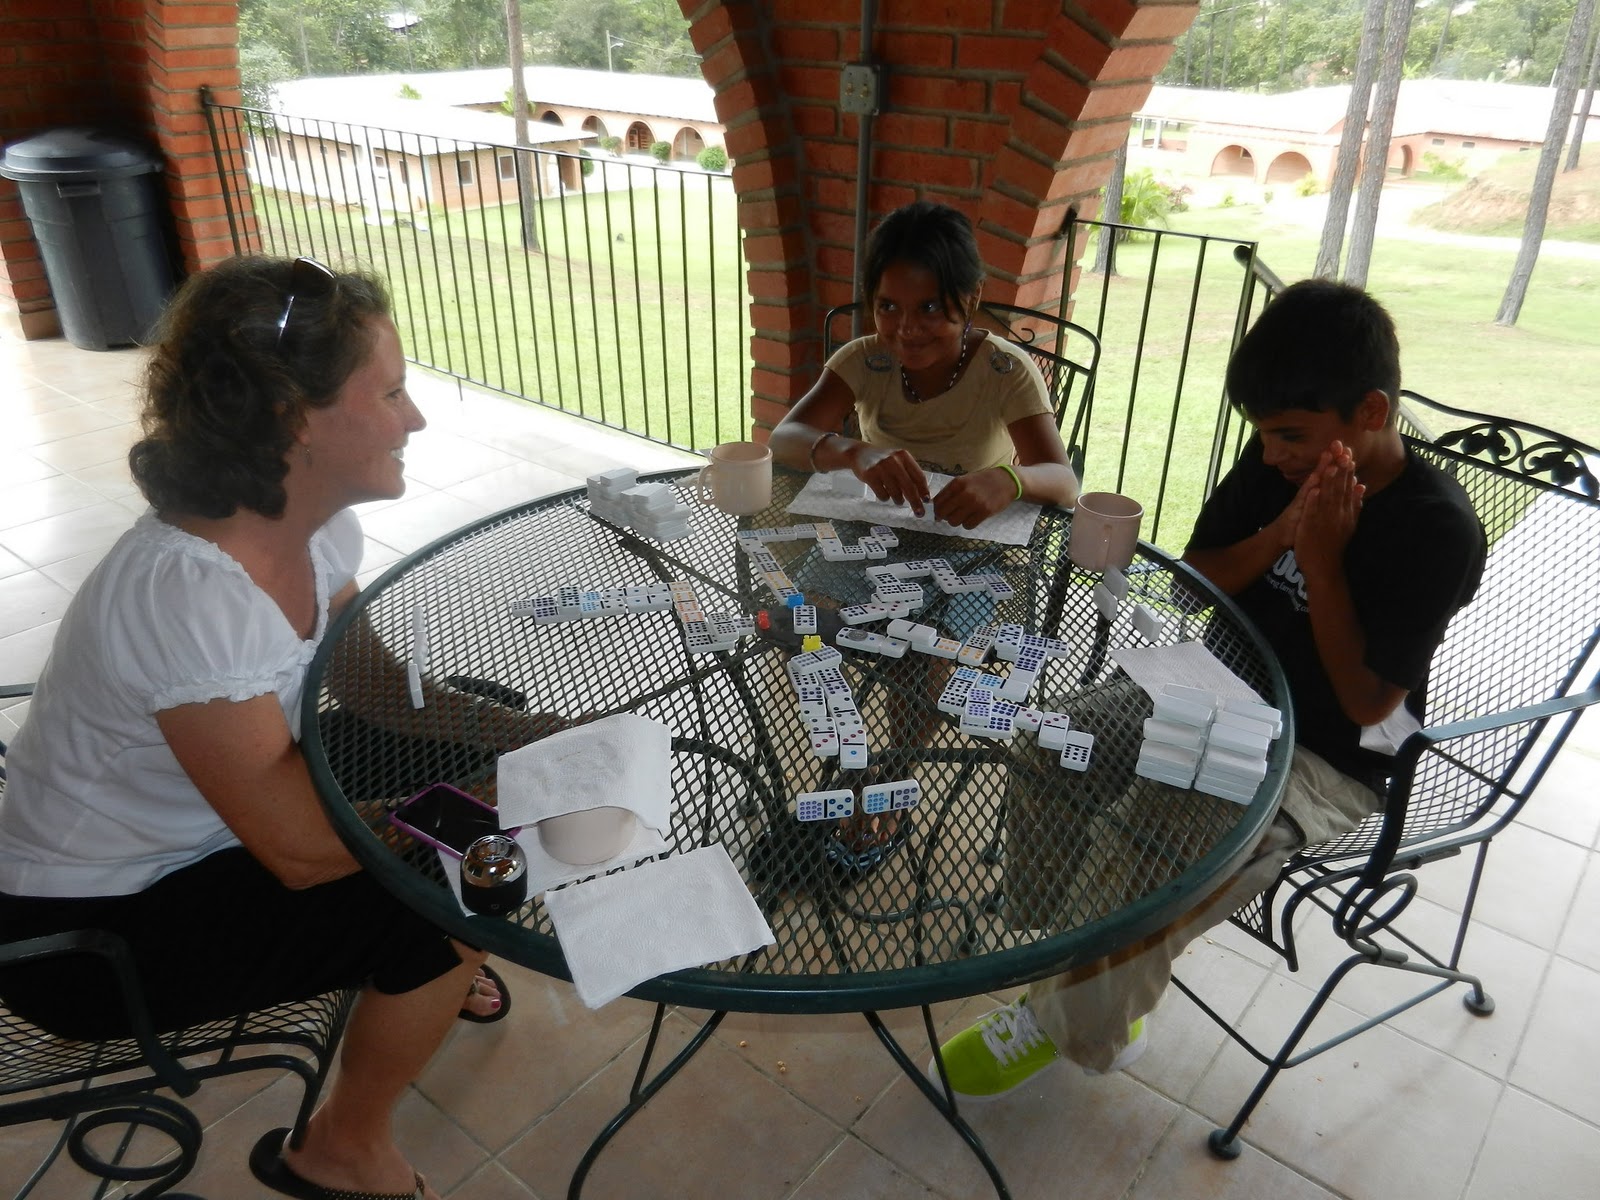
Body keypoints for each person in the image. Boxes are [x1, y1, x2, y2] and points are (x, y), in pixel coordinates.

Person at [0, 257, 549, 1200]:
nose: (415, 419)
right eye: (392, 393)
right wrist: (494, 796)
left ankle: (435, 972)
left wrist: (522, 732)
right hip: (93, 932)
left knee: (469, 735)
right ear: (296, 418)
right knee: (450, 884)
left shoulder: (311, 525)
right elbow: (300, 852)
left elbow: (372, 687)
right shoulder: (189, 594)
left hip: (219, 822)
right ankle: (342, 1147)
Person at [931, 278, 1487, 1096]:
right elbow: (1196, 579)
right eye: (1263, 435)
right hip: (1208, 682)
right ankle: (1069, 960)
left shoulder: (1438, 528)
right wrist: (1284, 532)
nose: (1274, 454)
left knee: (1150, 842)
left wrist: (1323, 562)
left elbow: (1371, 705)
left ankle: (1065, 1021)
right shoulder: (1280, 457)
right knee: (1048, 746)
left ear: (1371, 412)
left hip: (1325, 752)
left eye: (1291, 436)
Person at [769, 199, 1079, 520]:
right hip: (880, 530)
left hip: (974, 539)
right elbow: (783, 439)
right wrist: (853, 452)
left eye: (929, 308)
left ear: (972, 298)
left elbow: (1064, 481)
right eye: (888, 307)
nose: (907, 329)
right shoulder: (865, 361)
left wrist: (1010, 480)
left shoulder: (1005, 371)